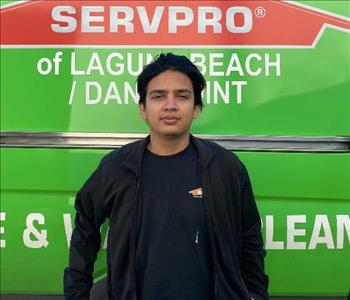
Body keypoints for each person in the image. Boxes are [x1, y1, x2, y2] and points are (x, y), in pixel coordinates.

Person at [64, 53, 269, 300]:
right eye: (158, 96)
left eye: (182, 96)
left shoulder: (224, 168)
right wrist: (76, 294)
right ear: (143, 108)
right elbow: (85, 228)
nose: (170, 105)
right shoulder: (117, 168)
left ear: (196, 108)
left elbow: (250, 237)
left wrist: (256, 294)